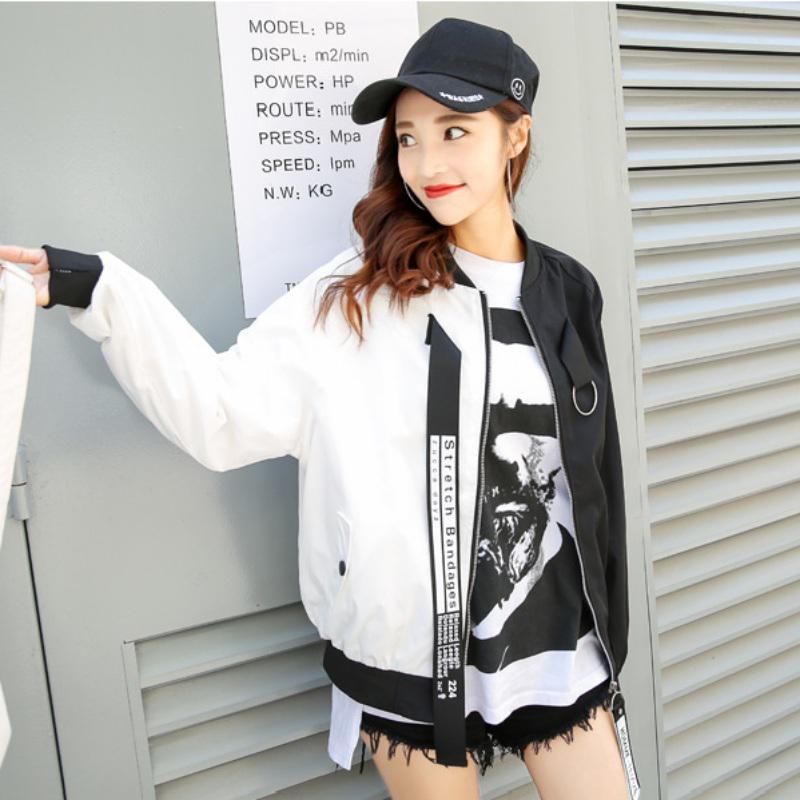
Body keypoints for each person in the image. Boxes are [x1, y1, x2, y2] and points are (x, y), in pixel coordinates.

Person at [0, 16, 639, 800]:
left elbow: (591, 476)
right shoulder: (357, 295)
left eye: (454, 131)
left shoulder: (569, 290)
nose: (426, 164)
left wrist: (607, 620)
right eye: (407, 138)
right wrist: (99, 290)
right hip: (412, 658)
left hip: (555, 635)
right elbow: (220, 411)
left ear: (516, 135)